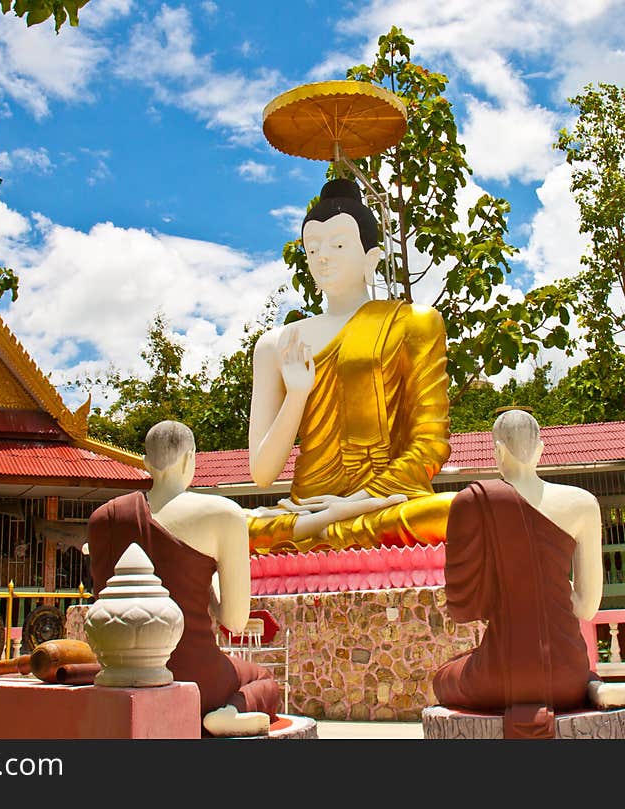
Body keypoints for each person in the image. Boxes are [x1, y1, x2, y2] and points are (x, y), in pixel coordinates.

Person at [247, 178, 455, 554]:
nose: (323, 256)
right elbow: (262, 474)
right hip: (306, 508)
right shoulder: (277, 344)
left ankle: (326, 530)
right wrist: (297, 394)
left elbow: (429, 446)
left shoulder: (413, 323)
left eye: (339, 244)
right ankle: (322, 529)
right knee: (233, 525)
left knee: (452, 512)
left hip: (381, 505)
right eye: (313, 249)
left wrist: (358, 502)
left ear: (371, 258)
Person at [88, 421, 279, 736]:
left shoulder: (104, 519)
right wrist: (212, 582)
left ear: (147, 463)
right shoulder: (223, 514)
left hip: (118, 671)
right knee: (263, 680)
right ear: (191, 458)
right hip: (195, 677)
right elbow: (235, 621)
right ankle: (232, 711)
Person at [433, 409, 604, 738]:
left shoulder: (471, 501)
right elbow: (586, 608)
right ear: (541, 449)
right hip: (568, 676)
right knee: (580, 675)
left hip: (500, 675)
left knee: (443, 677)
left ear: (496, 450)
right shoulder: (582, 503)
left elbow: (463, 609)